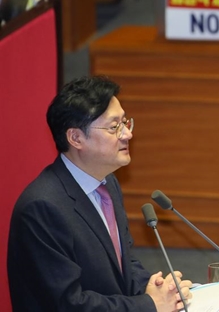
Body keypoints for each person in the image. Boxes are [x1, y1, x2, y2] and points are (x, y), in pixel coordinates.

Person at [7, 75, 193, 311]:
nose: (127, 134)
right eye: (114, 127)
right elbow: (68, 304)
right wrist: (149, 305)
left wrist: (157, 288)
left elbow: (123, 263)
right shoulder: (42, 208)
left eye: (125, 123)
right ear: (75, 138)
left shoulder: (107, 184)